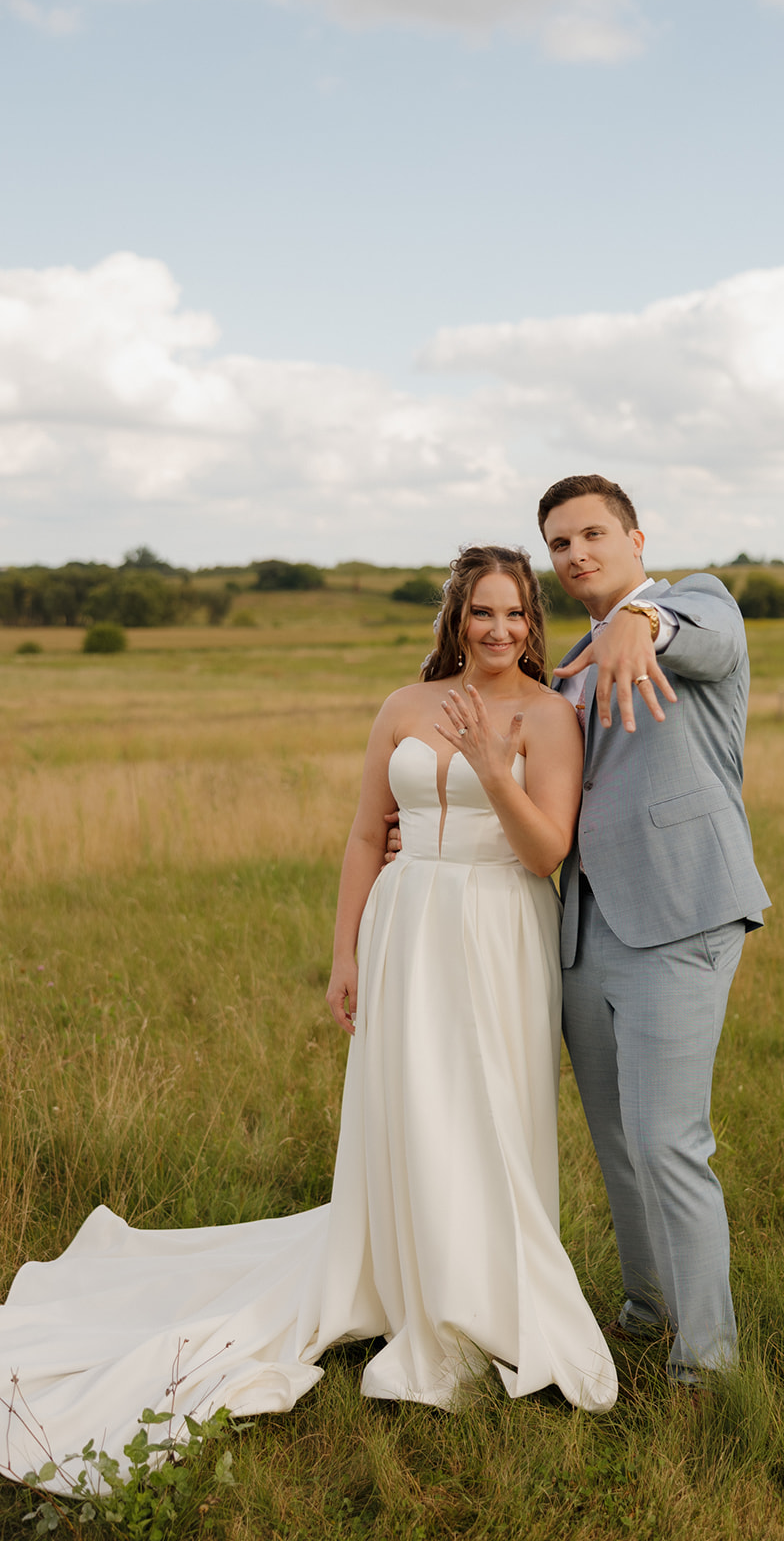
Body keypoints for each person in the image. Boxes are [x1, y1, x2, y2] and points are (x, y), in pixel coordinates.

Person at [0, 544, 615, 1496]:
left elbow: (546, 852)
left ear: (534, 624)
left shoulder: (550, 717)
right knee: (407, 1106)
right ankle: (403, 1273)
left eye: (517, 615)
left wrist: (497, 770)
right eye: (482, 614)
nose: (499, 631)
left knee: (485, 1107)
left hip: (498, 930)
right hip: (405, 924)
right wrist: (345, 953)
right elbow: (367, 832)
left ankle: (481, 1295)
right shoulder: (403, 709)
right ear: (455, 619)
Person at [538, 474, 770, 1387]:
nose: (575, 555)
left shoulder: (693, 605)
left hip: (680, 917)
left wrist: (642, 623)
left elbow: (697, 636)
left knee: (670, 1138)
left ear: (636, 538)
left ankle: (706, 1365)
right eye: (558, 544)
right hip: (584, 927)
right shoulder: (571, 658)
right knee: (616, 1137)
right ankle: (645, 1310)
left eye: (591, 534)